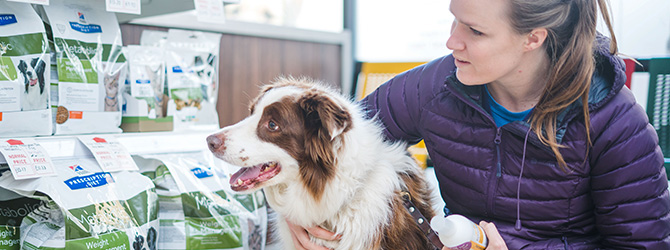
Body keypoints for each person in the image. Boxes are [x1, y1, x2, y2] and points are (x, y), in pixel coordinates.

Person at [286, 0, 670, 249]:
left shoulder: (615, 124)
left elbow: (643, 245)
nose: (452, 41)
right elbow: (336, 144)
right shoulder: (435, 86)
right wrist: (298, 212)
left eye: (476, 31)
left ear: (533, 38)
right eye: (455, 20)